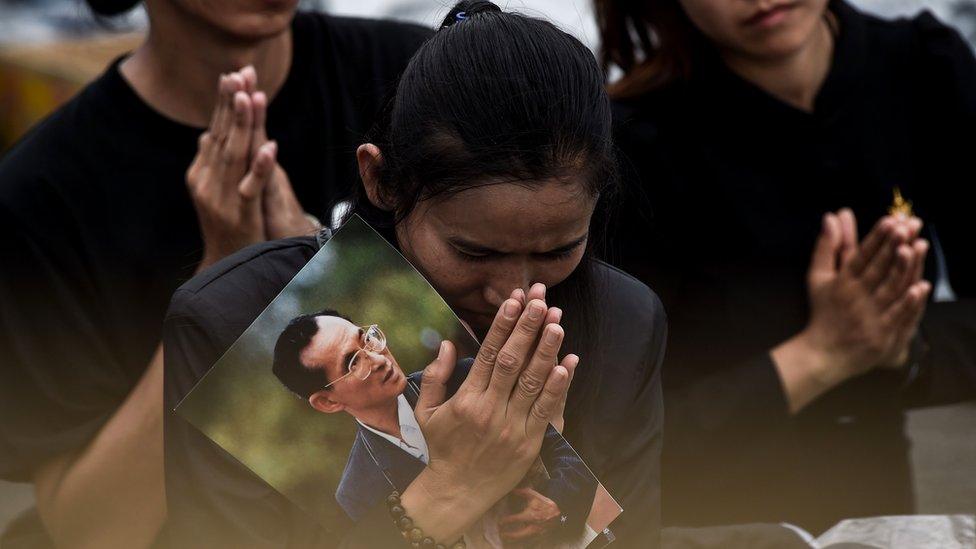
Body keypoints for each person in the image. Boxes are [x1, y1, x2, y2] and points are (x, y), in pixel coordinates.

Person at [163, 1, 666, 547]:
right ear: (381, 179)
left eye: (558, 249)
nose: (515, 294)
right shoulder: (228, 321)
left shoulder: (623, 322)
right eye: (474, 252)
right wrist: (446, 494)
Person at [0, 0, 428, 545]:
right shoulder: (41, 197)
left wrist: (309, 259)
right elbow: (93, 531)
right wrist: (227, 287)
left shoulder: (408, 76)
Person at [595, 0, 976, 532]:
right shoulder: (630, 144)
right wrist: (822, 355)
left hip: (878, 513)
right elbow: (615, 438)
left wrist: (907, 347)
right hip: (711, 523)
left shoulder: (926, 67)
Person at [270, 311, 598, 544]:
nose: (380, 357)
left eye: (367, 339)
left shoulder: (464, 378)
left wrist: (560, 509)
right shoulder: (356, 490)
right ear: (328, 402)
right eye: (354, 362)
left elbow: (569, 456)